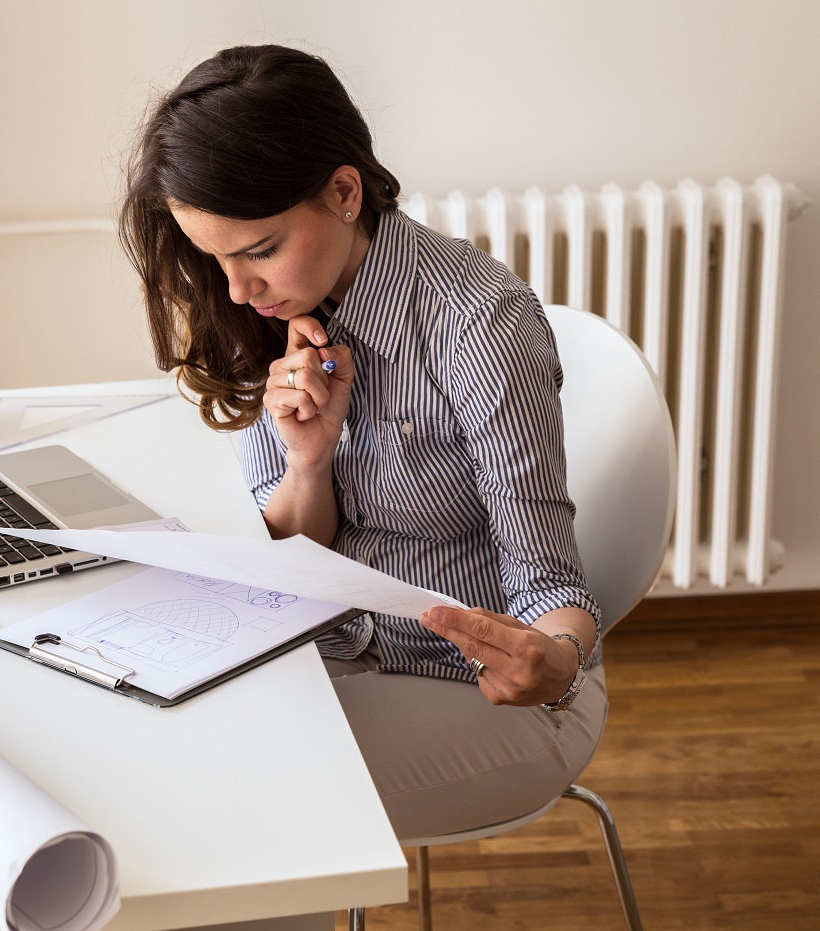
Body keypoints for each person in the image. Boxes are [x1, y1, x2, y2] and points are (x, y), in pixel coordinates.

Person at [119, 44, 606, 840]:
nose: (238, 289)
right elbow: (292, 548)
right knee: (148, 746)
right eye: (216, 258)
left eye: (259, 251)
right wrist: (309, 461)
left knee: (220, 805)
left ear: (345, 191)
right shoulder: (272, 308)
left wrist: (549, 661)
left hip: (473, 686)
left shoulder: (479, 324)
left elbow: (546, 579)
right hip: (329, 649)